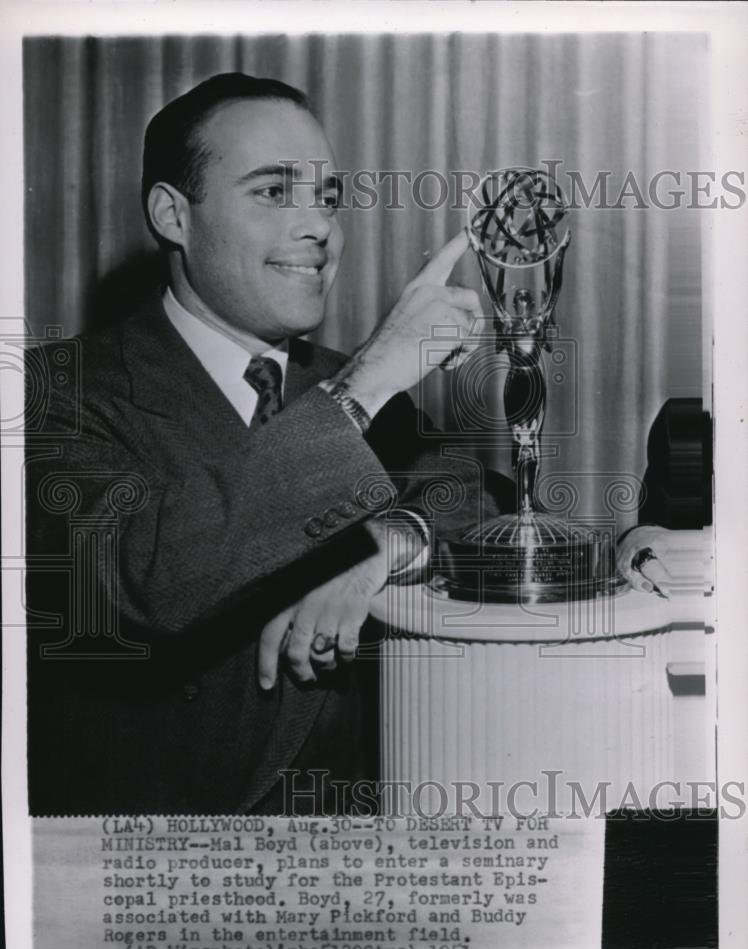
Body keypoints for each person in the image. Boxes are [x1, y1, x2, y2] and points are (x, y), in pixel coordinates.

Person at [25, 73, 515, 816]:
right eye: (273, 192)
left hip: (358, 844)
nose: (318, 225)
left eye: (326, 196)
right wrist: (364, 385)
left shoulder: (341, 381)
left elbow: (475, 499)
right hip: (161, 868)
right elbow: (139, 577)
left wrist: (388, 543)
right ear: (173, 216)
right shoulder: (56, 391)